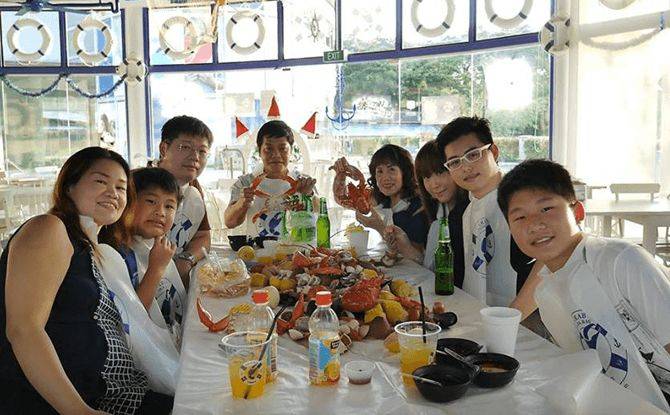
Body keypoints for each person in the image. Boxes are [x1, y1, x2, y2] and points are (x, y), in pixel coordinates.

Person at [0, 147, 172, 414]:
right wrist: (78, 410)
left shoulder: (93, 248)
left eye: (121, 188)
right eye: (101, 181)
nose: (113, 193)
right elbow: (24, 329)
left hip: (115, 393)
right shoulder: (48, 228)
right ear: (69, 186)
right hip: (62, 403)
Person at [498, 159, 670, 412]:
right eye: (520, 217)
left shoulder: (621, 261)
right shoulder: (545, 291)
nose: (534, 224)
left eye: (546, 208)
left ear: (577, 212)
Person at [436, 116, 536, 307]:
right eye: (455, 162)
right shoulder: (460, 213)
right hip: (475, 314)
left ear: (494, 152)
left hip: (528, 317)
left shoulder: (527, 199)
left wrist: (513, 315)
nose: (466, 167)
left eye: (473, 154)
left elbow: (549, 264)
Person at [119, 167, 185, 346]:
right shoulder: (121, 255)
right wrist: (156, 268)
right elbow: (133, 318)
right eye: (151, 201)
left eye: (169, 206)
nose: (161, 212)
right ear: (128, 202)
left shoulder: (160, 246)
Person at [224, 120, 316, 238]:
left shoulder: (303, 181)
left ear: (291, 151)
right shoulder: (245, 183)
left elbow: (322, 214)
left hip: (295, 247)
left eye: (282, 148)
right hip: (256, 248)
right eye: (269, 149)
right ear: (259, 151)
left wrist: (308, 195)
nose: (276, 155)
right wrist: (242, 203)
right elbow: (229, 222)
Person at [384, 140, 467, 271]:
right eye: (426, 177)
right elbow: (433, 268)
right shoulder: (438, 213)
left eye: (440, 172)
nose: (434, 184)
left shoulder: (467, 216)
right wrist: (406, 246)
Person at [154, 115, 213, 287]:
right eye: (185, 147)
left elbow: (203, 236)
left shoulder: (193, 188)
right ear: (164, 148)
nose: (195, 157)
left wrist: (187, 259)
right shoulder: (138, 184)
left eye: (202, 151)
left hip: (173, 284)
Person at [334, 144, 429, 248]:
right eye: (380, 171)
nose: (385, 178)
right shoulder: (380, 198)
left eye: (391, 169)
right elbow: (341, 200)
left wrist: (379, 227)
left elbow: (416, 254)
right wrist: (341, 174)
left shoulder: (418, 205)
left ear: (405, 172)